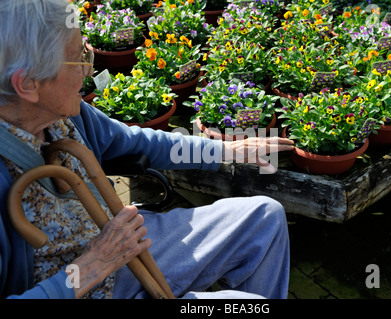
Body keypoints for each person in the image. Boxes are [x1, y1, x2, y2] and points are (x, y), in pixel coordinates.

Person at [0, 0, 294, 299]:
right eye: (78, 59)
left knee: (265, 218)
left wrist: (224, 151)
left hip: (122, 242)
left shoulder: (67, 113)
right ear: (27, 84)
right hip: (88, 281)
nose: (89, 71)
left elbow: (140, 142)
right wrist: (93, 265)